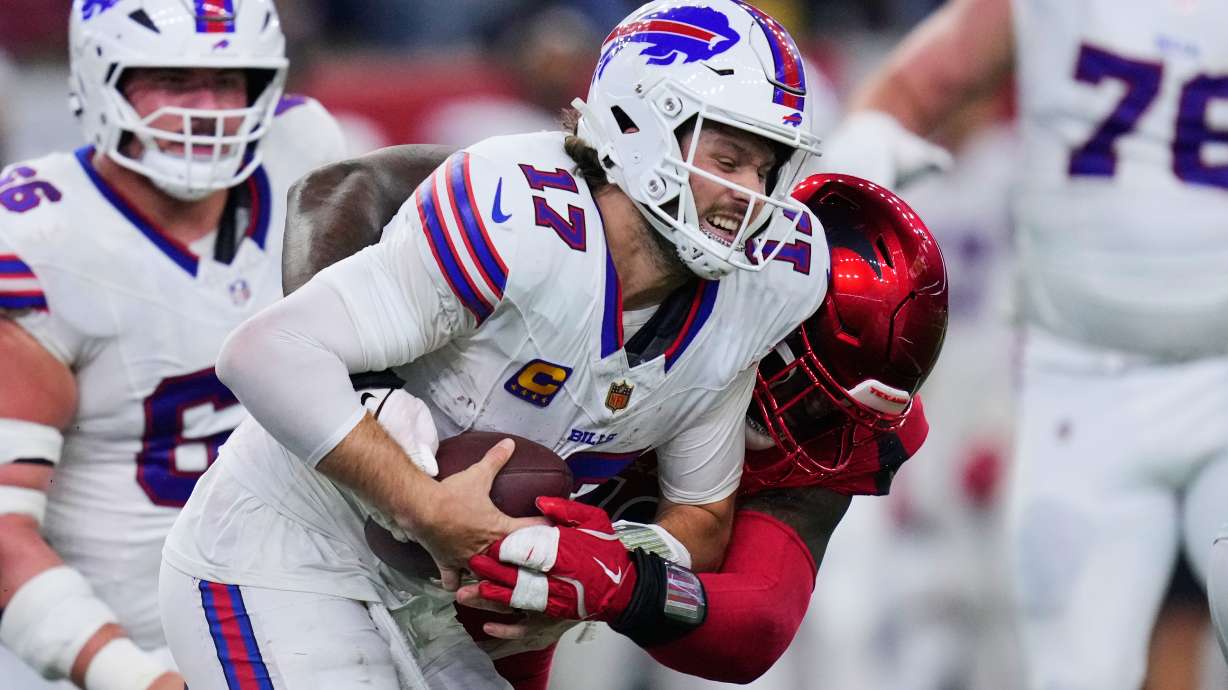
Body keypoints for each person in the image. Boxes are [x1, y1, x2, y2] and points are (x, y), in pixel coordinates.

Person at [158, 1, 827, 687]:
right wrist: (427, 507)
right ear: (637, 125)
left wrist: (594, 579)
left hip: (439, 611)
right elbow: (267, 351)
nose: (751, 193)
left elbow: (703, 516)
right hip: (284, 556)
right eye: (729, 159)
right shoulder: (523, 218)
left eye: (765, 169)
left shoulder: (758, 292)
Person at [279, 144, 947, 688]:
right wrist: (368, 389)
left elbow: (758, 626)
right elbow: (342, 186)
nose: (808, 432)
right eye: (803, 390)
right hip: (350, 517)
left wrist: (623, 585)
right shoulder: (606, 224)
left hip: (517, 594)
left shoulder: (838, 428)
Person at [817, 0, 1228, 688]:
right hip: (1080, 380)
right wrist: (858, 169)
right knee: (1071, 663)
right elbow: (914, 89)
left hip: (1206, 374)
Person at [0, 2, 345, 689]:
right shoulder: (38, 244)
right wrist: (136, 677)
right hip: (116, 650)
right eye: (172, 79)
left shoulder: (303, 153)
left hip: (304, 620)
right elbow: (3, 537)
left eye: (228, 80)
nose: (206, 110)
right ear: (101, 78)